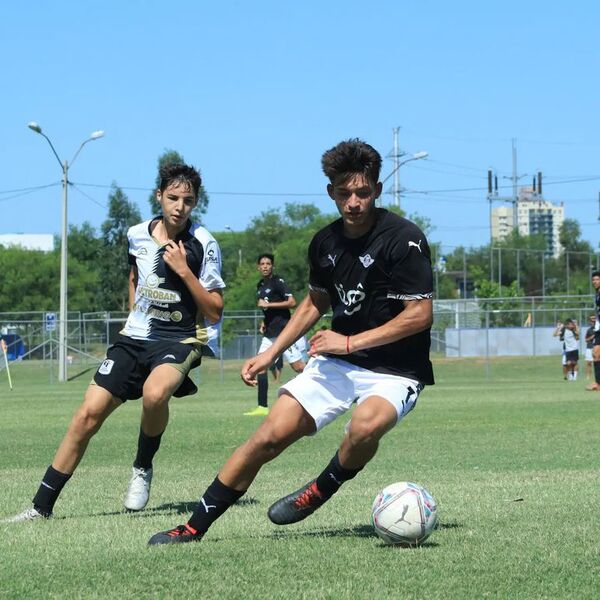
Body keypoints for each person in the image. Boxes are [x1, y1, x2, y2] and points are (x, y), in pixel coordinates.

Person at [148, 138, 434, 545]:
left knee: (364, 426)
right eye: (344, 193)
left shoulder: (404, 239)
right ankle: (192, 527)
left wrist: (349, 344)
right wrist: (271, 352)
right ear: (331, 192)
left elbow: (420, 316)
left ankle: (322, 487)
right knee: (267, 436)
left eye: (363, 192)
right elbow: (315, 303)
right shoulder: (325, 243)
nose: (354, 202)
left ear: (377, 190)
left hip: (395, 370)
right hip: (337, 363)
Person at [5, 163, 225, 522]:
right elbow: (135, 275)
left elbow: (215, 310)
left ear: (195, 202)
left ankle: (142, 467)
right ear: (159, 196)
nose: (179, 206)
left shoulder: (204, 244)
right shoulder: (137, 233)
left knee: (155, 394)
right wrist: (132, 316)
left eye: (187, 200)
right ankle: (39, 507)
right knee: (86, 415)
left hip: (178, 338)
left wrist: (184, 271)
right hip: (134, 338)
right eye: (172, 197)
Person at [243, 253, 305, 416]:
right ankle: (262, 407)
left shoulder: (278, 282)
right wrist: (264, 322)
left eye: (268, 263)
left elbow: (292, 302)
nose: (265, 266)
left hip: (284, 332)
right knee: (260, 368)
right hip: (269, 334)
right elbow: (267, 309)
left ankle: (322, 388)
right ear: (258, 267)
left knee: (299, 367)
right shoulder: (260, 285)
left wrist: (269, 304)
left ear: (272, 266)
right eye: (262, 263)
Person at [586, 271, 600, 391]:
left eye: (597, 279)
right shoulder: (597, 294)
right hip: (598, 328)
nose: (595, 281)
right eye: (593, 279)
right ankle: (598, 383)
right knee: (595, 354)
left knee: (596, 354)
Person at [584, 315, 596, 380]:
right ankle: (588, 376)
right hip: (590, 347)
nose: (593, 321)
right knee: (589, 362)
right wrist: (591, 337)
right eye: (591, 320)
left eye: (594, 320)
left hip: (597, 347)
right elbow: (586, 340)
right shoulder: (589, 330)